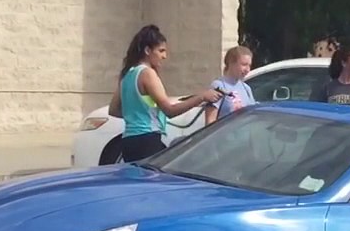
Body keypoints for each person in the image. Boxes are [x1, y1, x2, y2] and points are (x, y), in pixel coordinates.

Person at [108, 25, 221, 162]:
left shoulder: (127, 74)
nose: (164, 56)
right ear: (147, 50)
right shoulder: (147, 74)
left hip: (128, 141)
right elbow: (170, 110)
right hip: (147, 140)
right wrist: (202, 96)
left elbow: (113, 110)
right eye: (161, 51)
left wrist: (138, 114)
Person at [205, 45, 257, 125]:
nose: (247, 69)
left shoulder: (246, 88)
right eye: (244, 64)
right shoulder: (219, 86)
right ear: (231, 63)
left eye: (249, 65)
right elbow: (210, 121)